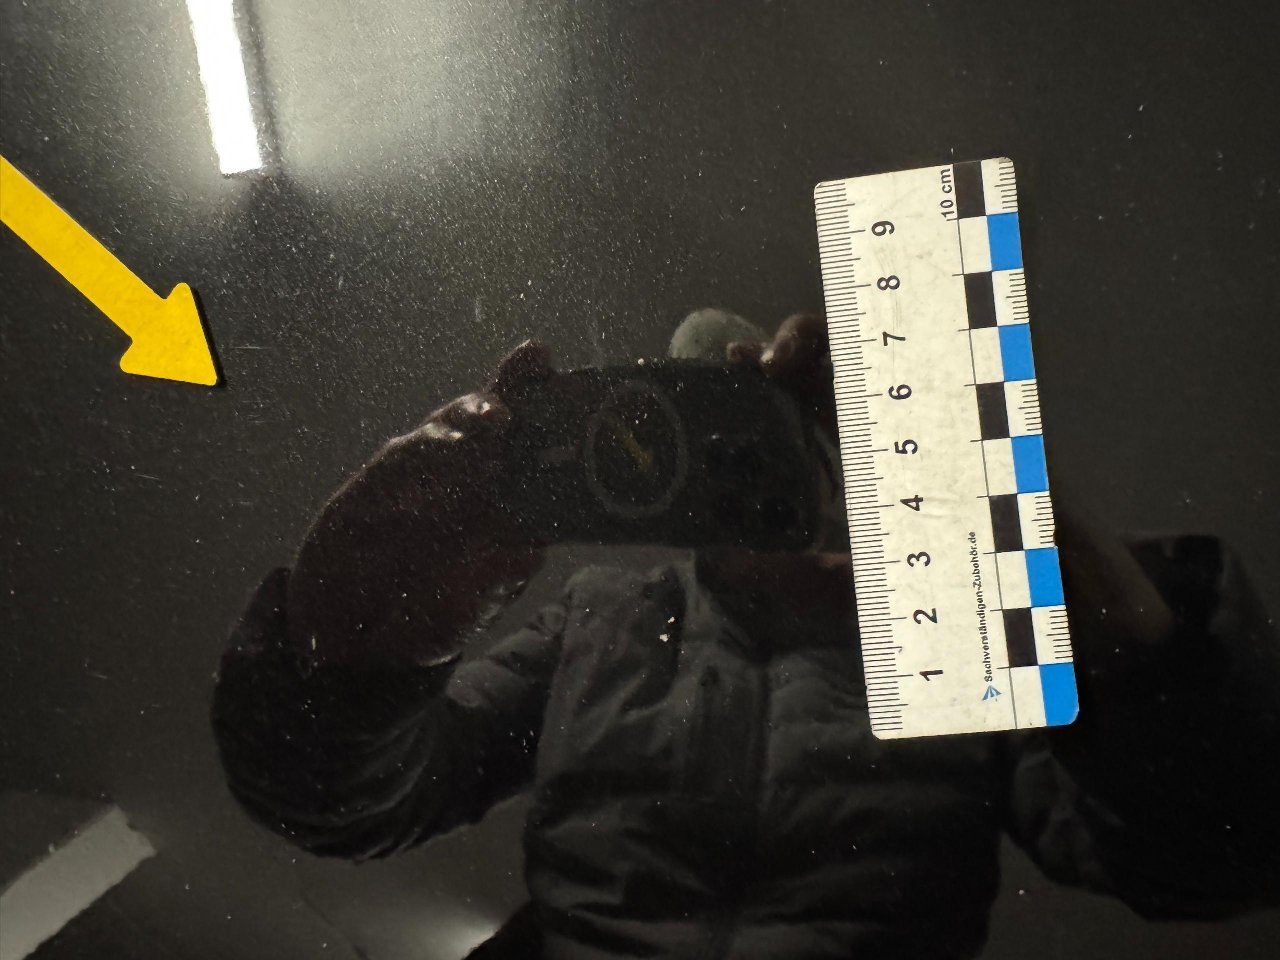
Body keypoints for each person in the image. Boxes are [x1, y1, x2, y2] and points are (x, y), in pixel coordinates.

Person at [213, 310, 1280, 959]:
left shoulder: (942, 646)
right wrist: (346, 660)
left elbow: (1206, 861)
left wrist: (1006, 504)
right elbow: (362, 802)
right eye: (708, 436)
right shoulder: (606, 619)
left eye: (802, 433)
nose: (754, 467)